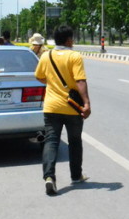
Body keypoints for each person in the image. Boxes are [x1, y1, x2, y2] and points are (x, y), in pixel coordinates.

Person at [35, 25, 91, 195]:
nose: (73, 41)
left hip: (51, 106)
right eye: (72, 38)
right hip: (72, 107)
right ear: (68, 40)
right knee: (75, 141)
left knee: (51, 141)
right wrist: (87, 103)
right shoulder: (74, 56)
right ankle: (76, 175)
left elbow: (39, 76)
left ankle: (49, 177)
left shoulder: (46, 55)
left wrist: (52, 84)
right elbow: (80, 81)